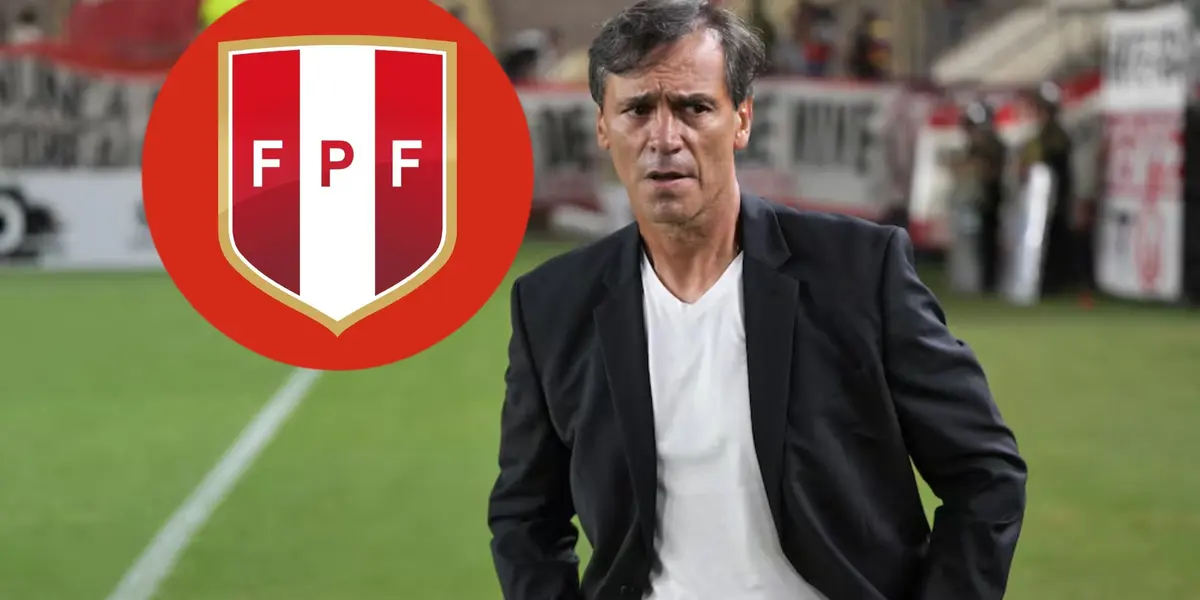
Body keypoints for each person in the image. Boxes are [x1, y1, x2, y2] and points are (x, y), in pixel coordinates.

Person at [487, 2, 1027, 599]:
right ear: (602, 126)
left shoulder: (857, 273)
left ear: (742, 119)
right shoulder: (552, 307)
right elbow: (525, 518)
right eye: (637, 109)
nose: (664, 138)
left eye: (694, 107)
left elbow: (985, 474)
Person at [1019, 82, 1075, 295]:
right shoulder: (1042, 134)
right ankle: (1044, 281)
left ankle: (1053, 282)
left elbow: (1053, 160)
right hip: (1041, 196)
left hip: (1053, 197)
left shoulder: (1056, 135)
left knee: (1054, 239)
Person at [960, 100, 1008, 294]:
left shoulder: (992, 144)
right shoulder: (977, 144)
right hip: (976, 195)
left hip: (989, 194)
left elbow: (992, 170)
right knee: (977, 239)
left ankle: (989, 280)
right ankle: (977, 279)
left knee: (988, 238)